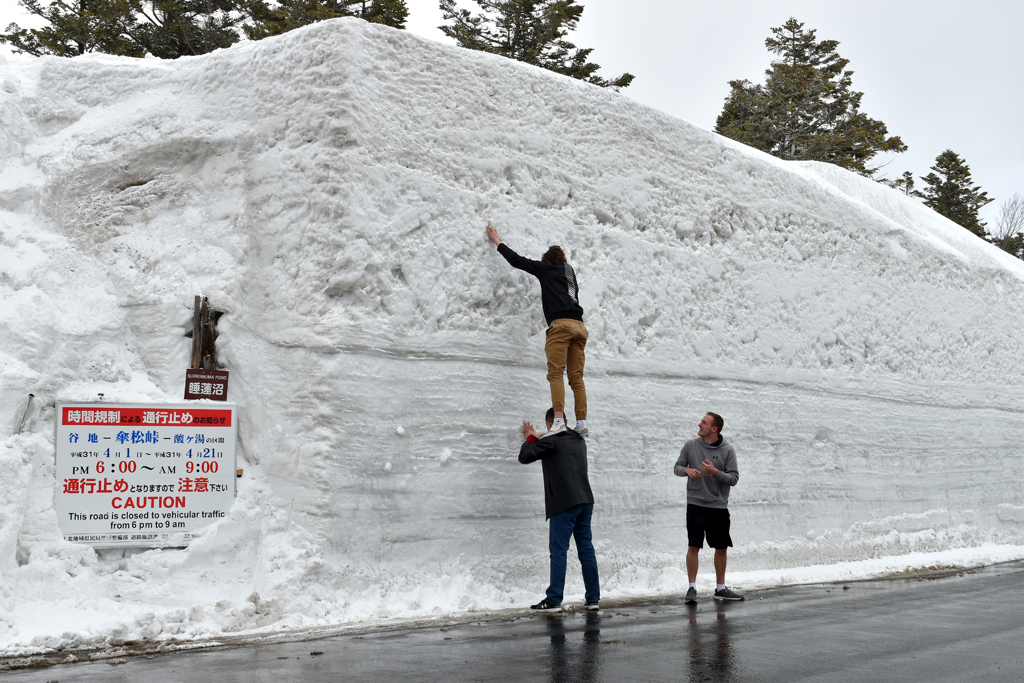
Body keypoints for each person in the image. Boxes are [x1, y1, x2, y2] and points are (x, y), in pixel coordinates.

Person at [487, 225, 589, 437]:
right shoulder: (570, 272)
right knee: (576, 378)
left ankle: (559, 421)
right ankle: (581, 423)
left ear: (547, 260)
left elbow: (517, 260)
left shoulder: (546, 268)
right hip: (580, 327)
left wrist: (497, 241)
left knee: (555, 374)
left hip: (561, 326)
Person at [519, 407, 600, 612]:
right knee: (586, 549)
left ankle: (554, 599)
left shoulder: (551, 440)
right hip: (585, 500)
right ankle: (593, 599)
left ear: (549, 424)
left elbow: (525, 456)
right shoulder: (577, 438)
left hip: (564, 504)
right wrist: (541, 436)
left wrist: (531, 437)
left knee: (558, 552)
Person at [673, 412, 743, 602]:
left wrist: (714, 472)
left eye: (704, 422)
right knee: (693, 545)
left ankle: (720, 588)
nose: (699, 424)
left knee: (721, 547)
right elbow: (677, 467)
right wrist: (686, 470)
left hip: (718, 506)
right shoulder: (690, 446)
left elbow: (734, 479)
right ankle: (692, 588)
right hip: (695, 504)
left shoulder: (728, 450)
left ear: (714, 429)